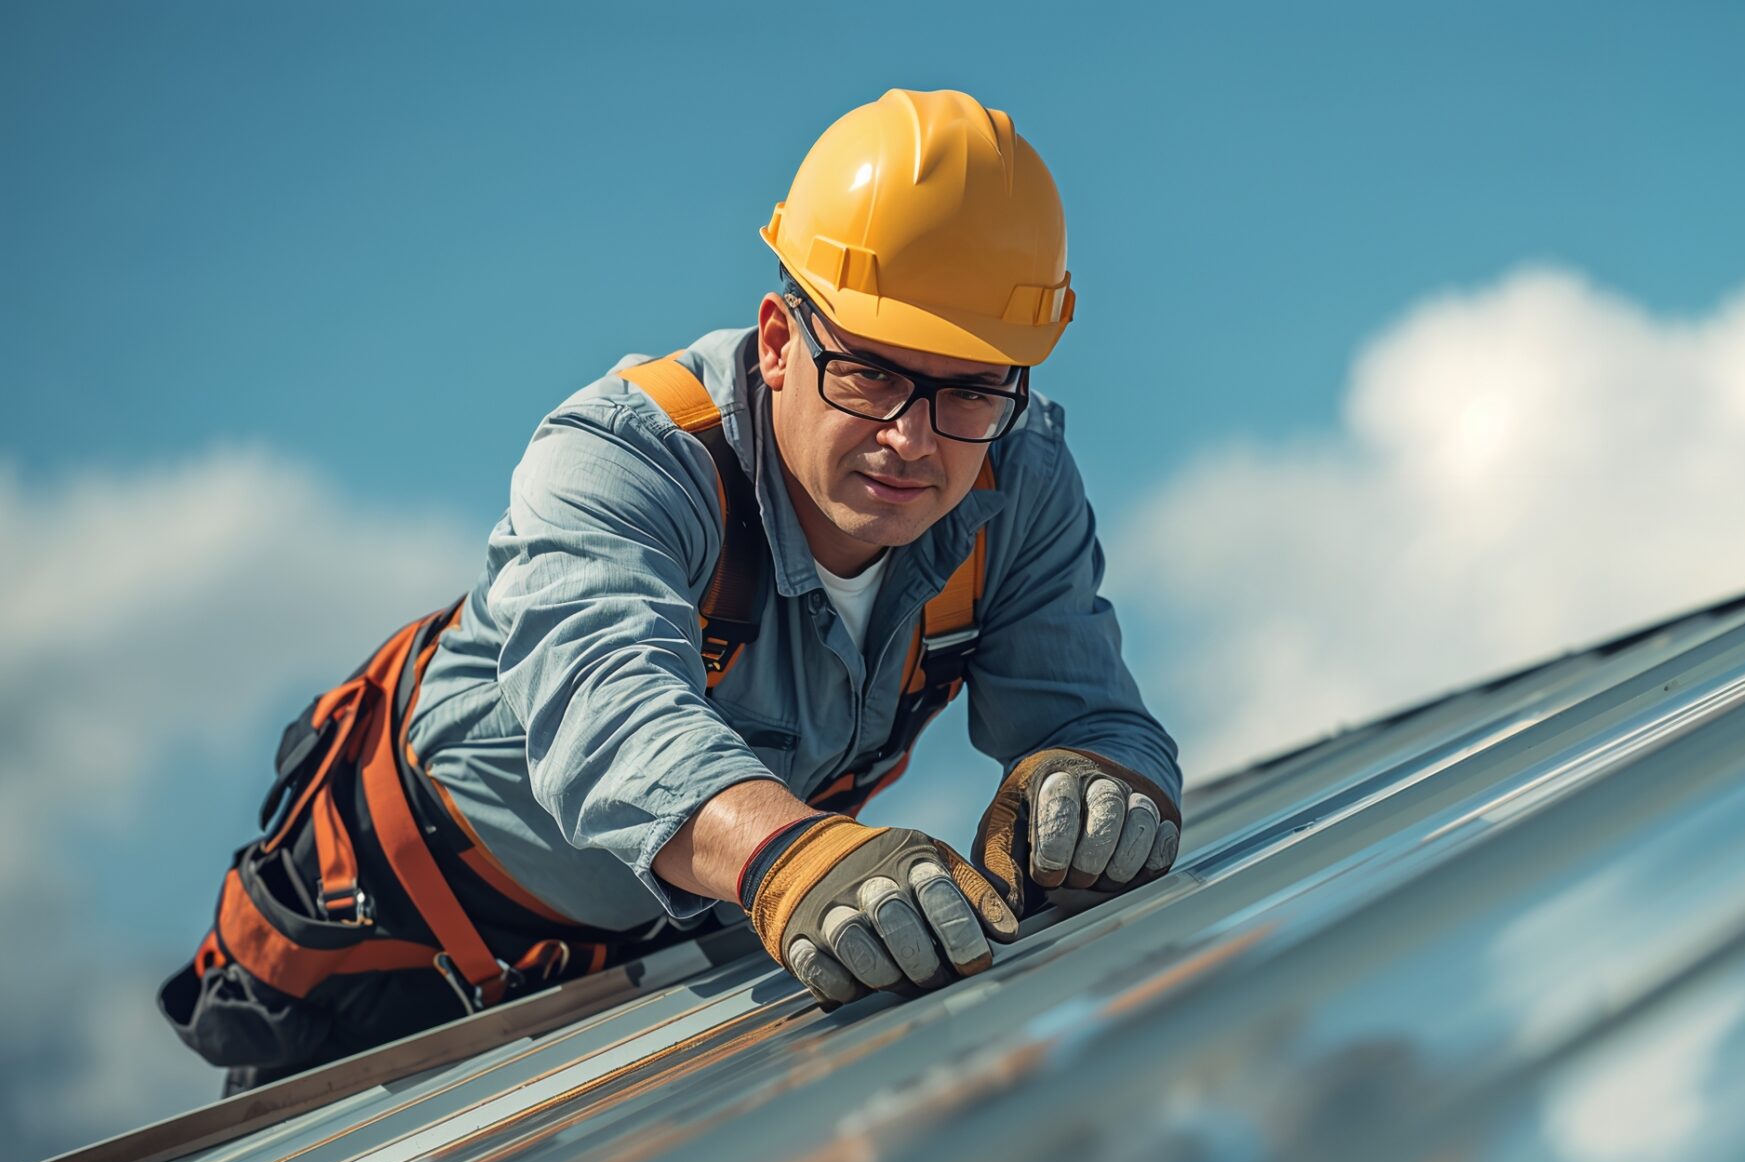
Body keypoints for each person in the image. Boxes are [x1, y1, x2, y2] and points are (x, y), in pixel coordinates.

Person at [159, 88, 1182, 1091]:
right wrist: (788, 855)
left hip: (692, 966)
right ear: (778, 342)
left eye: (968, 387)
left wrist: (1098, 784)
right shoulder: (625, 459)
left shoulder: (1015, 481)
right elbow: (611, 710)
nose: (912, 438)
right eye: (870, 374)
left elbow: (1090, 718)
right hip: (392, 973)